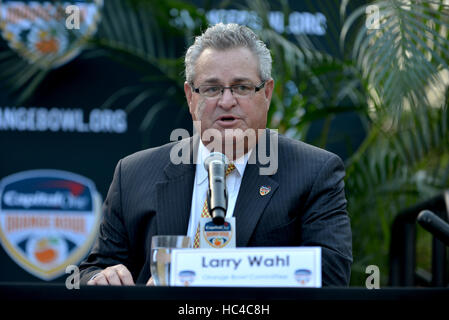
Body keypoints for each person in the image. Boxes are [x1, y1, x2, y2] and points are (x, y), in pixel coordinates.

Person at [79, 23, 352, 286]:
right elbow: (93, 269)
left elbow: (329, 276)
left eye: (242, 87)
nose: (226, 101)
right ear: (190, 97)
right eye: (211, 89)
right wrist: (100, 277)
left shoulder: (314, 172)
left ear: (267, 93)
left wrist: (202, 274)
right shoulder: (134, 174)